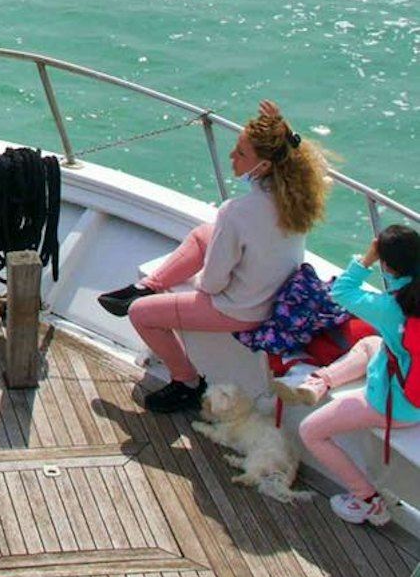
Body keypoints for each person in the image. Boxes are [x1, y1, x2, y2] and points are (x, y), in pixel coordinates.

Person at [98, 99, 330, 413]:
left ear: (264, 166)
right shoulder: (297, 200)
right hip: (274, 294)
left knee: (141, 314)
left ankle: (187, 382)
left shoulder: (237, 213)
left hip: (240, 310)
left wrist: (207, 275)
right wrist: (279, 125)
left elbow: (211, 285)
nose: (232, 156)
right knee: (203, 234)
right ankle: (148, 286)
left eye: (242, 153)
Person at [280, 226, 420, 525]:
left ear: (387, 264)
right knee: (372, 343)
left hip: (394, 404)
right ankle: (321, 381)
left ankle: (367, 500)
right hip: (410, 386)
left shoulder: (390, 308)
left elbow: (342, 291)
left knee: (311, 431)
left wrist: (366, 259)